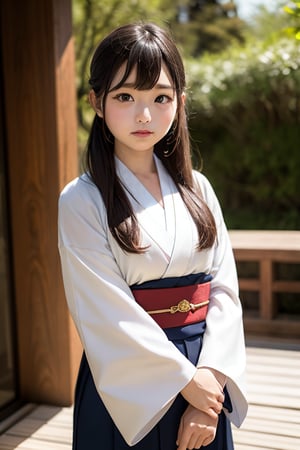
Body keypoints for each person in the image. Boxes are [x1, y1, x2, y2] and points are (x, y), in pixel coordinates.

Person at [58, 22, 248, 450]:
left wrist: (208, 391)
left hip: (206, 372)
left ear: (179, 103)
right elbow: (107, 314)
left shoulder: (199, 188)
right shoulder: (81, 200)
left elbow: (225, 293)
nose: (144, 115)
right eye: (125, 96)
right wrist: (187, 382)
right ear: (97, 102)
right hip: (130, 383)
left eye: (160, 98)